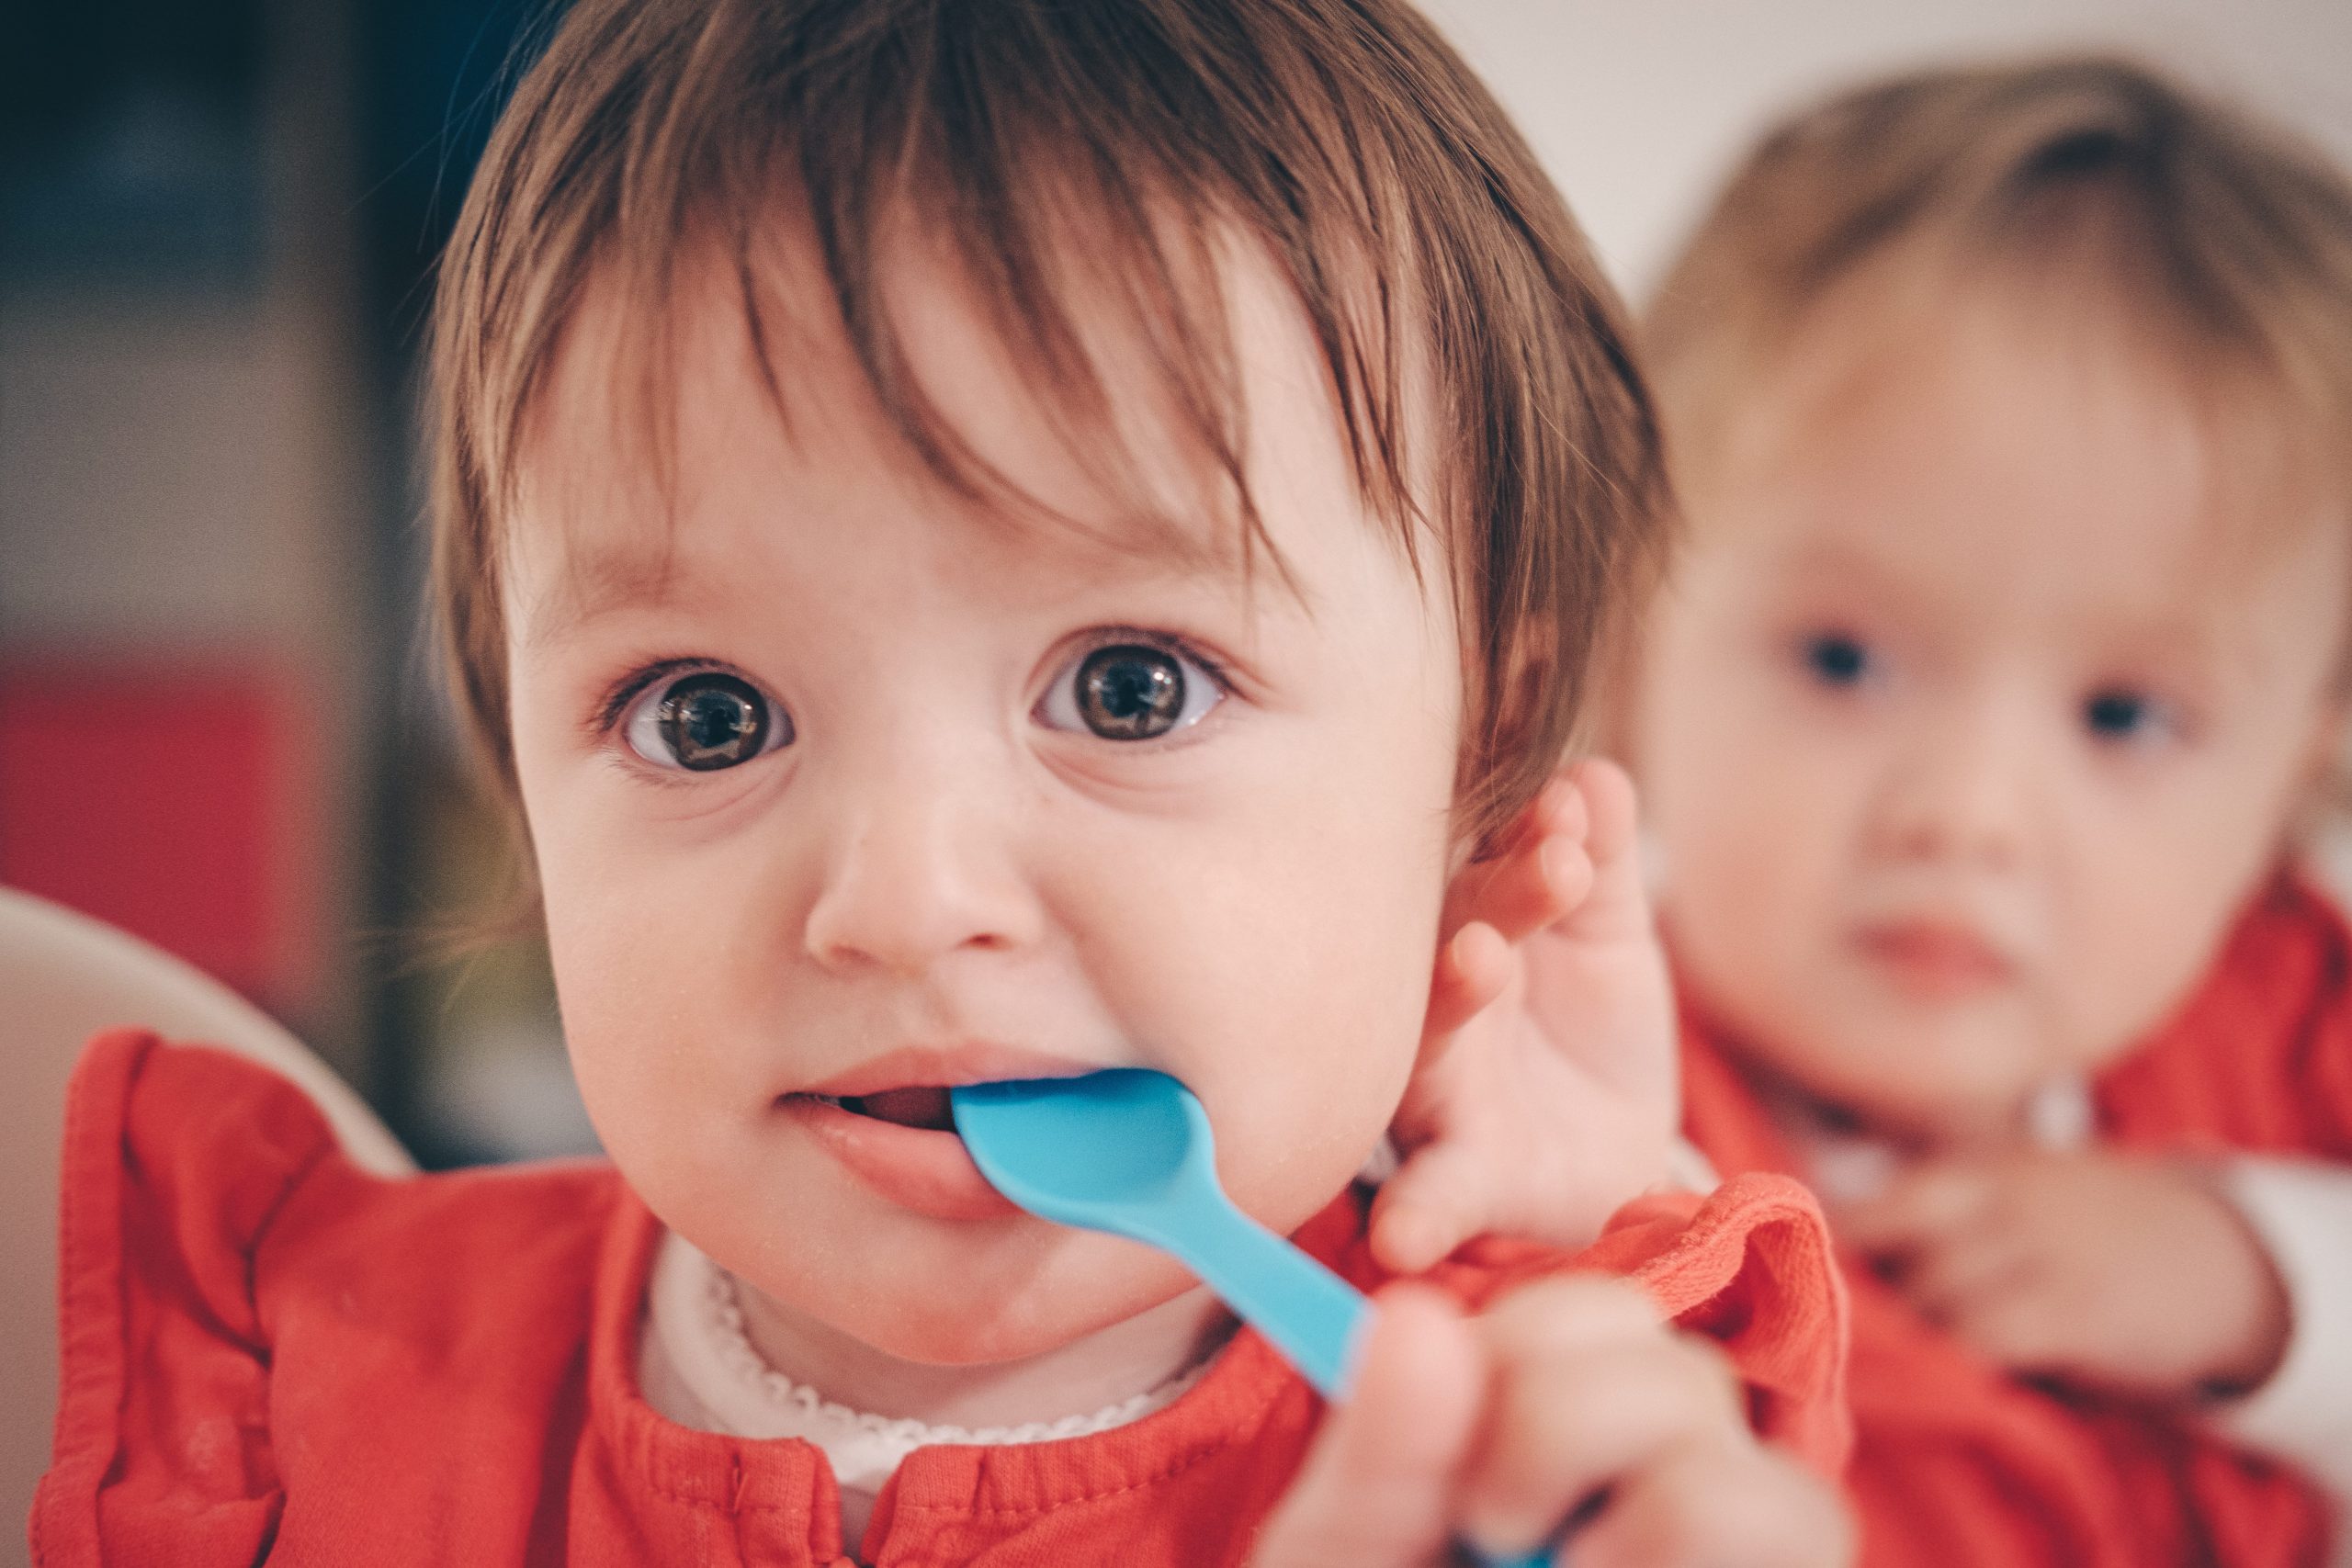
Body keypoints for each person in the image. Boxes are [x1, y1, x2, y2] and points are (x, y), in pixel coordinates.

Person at [35, 3, 1853, 1563]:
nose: (903, 899)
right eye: (704, 716)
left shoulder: (1542, 1463)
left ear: (1476, 768)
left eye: (1129, 691)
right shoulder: (293, 1382)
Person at [1624, 54, 2352, 1567]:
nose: (1966, 816)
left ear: (2292, 784)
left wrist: (2261, 1280)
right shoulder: (1568, 1090)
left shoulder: (2290, 1026)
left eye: (2126, 717)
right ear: (1626, 640)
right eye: (1844, 659)